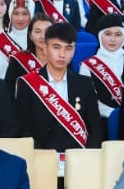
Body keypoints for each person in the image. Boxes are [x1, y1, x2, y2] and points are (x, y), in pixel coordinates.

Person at [16, 22, 102, 155]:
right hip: (40, 158)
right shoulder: (28, 84)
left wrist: (86, 157)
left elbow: (95, 129)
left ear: (74, 51)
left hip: (78, 158)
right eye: (56, 47)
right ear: (45, 48)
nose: (62, 54)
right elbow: (23, 130)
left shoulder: (85, 84)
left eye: (68, 48)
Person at [80, 14, 124, 126]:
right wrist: (115, 114)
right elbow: (89, 100)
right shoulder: (87, 66)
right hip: (102, 121)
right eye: (107, 34)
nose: (113, 39)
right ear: (100, 35)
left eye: (118, 35)